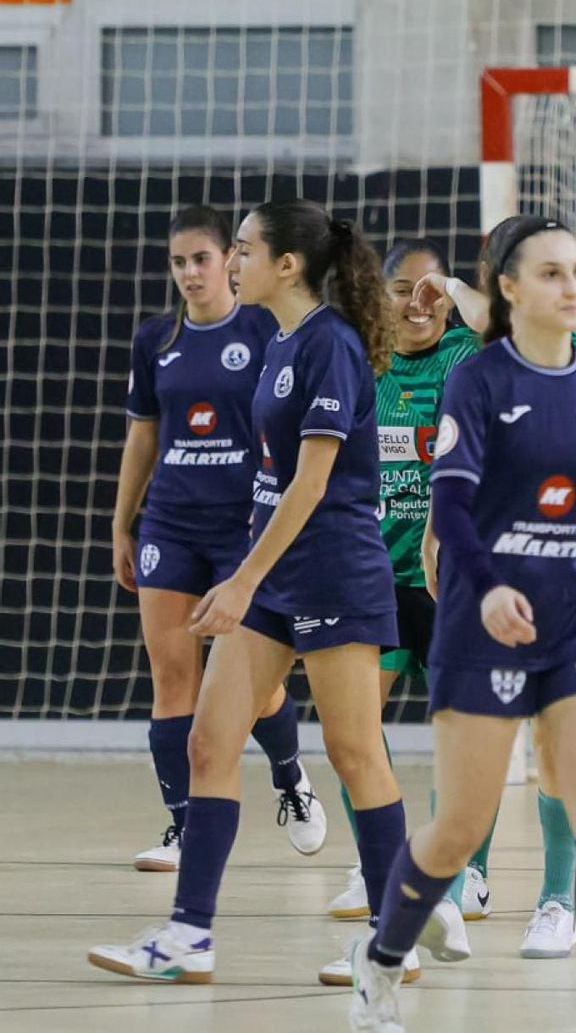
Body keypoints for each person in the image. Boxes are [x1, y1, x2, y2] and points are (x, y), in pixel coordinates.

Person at [88, 200, 409, 985]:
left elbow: (310, 484)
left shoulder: (327, 344)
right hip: (275, 575)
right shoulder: (281, 340)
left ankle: (390, 943)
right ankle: (187, 936)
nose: (230, 260)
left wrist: (241, 578)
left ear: (286, 265)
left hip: (331, 565)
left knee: (355, 753)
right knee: (208, 741)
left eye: (242, 248)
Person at [348, 216, 576, 1033]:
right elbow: (451, 505)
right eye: (550, 273)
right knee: (458, 829)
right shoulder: (476, 381)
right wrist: (480, 590)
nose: (571, 287)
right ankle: (378, 962)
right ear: (508, 290)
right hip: (486, 624)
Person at [114, 205, 323, 872]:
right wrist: (123, 522)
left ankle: (289, 775)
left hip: (245, 528)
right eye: (178, 262)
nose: (190, 273)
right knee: (173, 675)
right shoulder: (156, 340)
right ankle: (181, 828)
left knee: (253, 686)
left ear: (231, 260)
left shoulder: (265, 329)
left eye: (201, 258)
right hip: (171, 526)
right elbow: (143, 434)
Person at [406, 219, 576, 960]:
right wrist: (432, 536)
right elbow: (451, 472)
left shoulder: (569, 347)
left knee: (552, 746)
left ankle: (557, 902)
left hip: (556, 569)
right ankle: (455, 890)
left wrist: (450, 285)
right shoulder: (468, 372)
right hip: (482, 571)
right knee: (467, 741)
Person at [323, 240, 478, 968]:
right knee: (356, 723)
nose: (416, 304)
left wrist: (448, 287)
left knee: (463, 729)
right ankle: (377, 856)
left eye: (429, 292)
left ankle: (465, 870)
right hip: (375, 579)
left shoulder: (462, 360)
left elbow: (496, 329)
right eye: (401, 290)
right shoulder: (361, 367)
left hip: (449, 580)